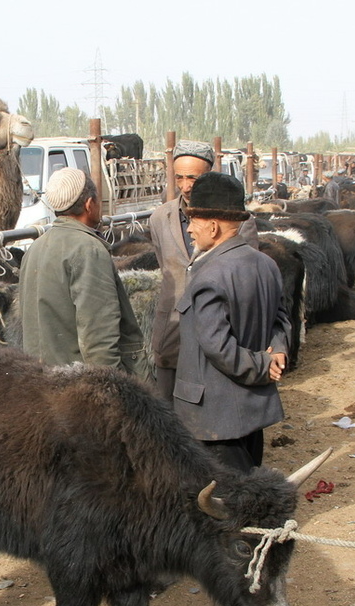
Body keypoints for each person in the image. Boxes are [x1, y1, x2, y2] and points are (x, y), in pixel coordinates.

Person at [173, 172, 291, 471]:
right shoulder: (266, 263)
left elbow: (218, 348)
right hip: (252, 409)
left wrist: (265, 366)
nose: (189, 230)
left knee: (229, 499)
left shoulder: (209, 276)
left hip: (214, 415)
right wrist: (278, 351)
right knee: (251, 479)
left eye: (193, 222)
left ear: (213, 227)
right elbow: (281, 319)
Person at [148, 141, 256, 402]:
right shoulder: (160, 218)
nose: (185, 186)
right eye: (179, 178)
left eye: (193, 178)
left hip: (221, 332)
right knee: (168, 410)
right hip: (172, 331)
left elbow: (245, 279)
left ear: (208, 176)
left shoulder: (240, 222)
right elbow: (168, 268)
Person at [19, 167, 149, 378]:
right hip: (78, 389)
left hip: (41, 381)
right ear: (90, 204)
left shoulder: (36, 247)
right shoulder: (88, 249)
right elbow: (99, 338)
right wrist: (113, 391)